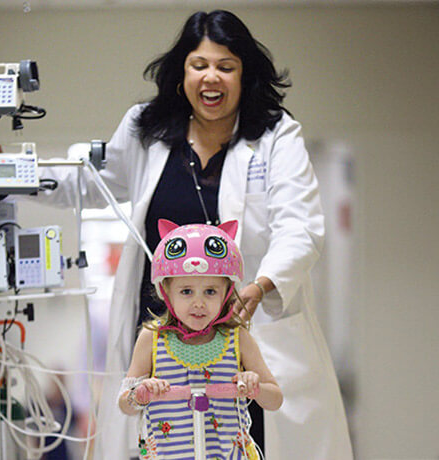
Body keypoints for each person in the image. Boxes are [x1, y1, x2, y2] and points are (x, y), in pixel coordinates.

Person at [37, 9, 353, 459]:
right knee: (164, 440)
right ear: (180, 71)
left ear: (245, 75)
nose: (212, 78)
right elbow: (89, 182)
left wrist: (260, 287)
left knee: (246, 441)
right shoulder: (146, 130)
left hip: (241, 330)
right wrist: (6, 177)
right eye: (199, 64)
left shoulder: (275, 135)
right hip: (164, 340)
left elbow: (299, 227)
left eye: (227, 67)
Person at [117, 220, 282, 460]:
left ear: (227, 293)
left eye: (210, 291)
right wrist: (140, 393)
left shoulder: (238, 339)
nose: (199, 303)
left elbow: (275, 399)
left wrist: (255, 387)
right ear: (166, 292)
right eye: (186, 291)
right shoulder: (152, 339)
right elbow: (125, 405)